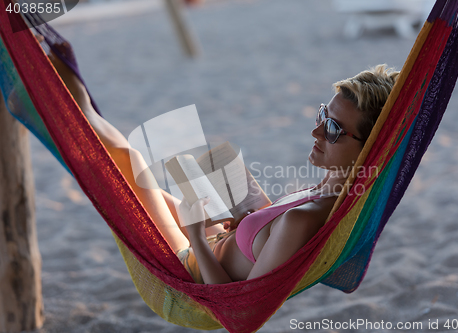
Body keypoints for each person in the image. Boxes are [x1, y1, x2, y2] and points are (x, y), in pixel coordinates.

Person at [45, 39, 399, 284]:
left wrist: (196, 236)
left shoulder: (301, 220)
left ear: (368, 148)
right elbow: (260, 248)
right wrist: (245, 220)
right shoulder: (324, 191)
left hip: (189, 263)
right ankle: (69, 98)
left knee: (123, 165)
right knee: (177, 163)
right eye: (323, 114)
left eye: (334, 129)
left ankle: (60, 98)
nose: (316, 132)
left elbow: (241, 310)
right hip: (215, 238)